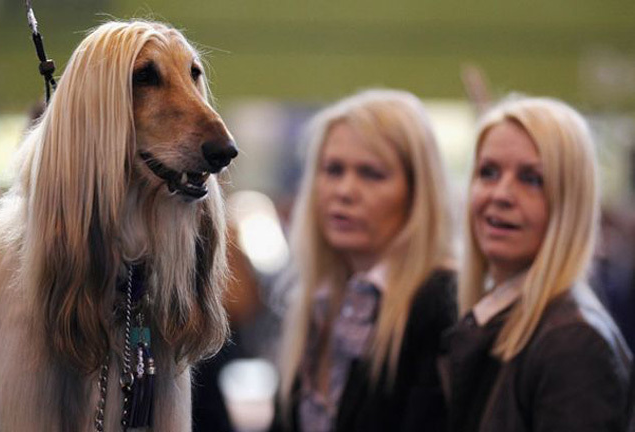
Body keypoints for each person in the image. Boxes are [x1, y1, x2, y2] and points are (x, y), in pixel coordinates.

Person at [439, 96, 632, 432]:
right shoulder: (502, 320)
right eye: (488, 172)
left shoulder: (573, 344)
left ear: (570, 201)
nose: (500, 194)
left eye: (531, 179)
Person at [270, 89, 457, 432]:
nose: (345, 191)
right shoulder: (317, 301)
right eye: (333, 169)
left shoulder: (441, 302)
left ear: (418, 192)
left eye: (371, 173)